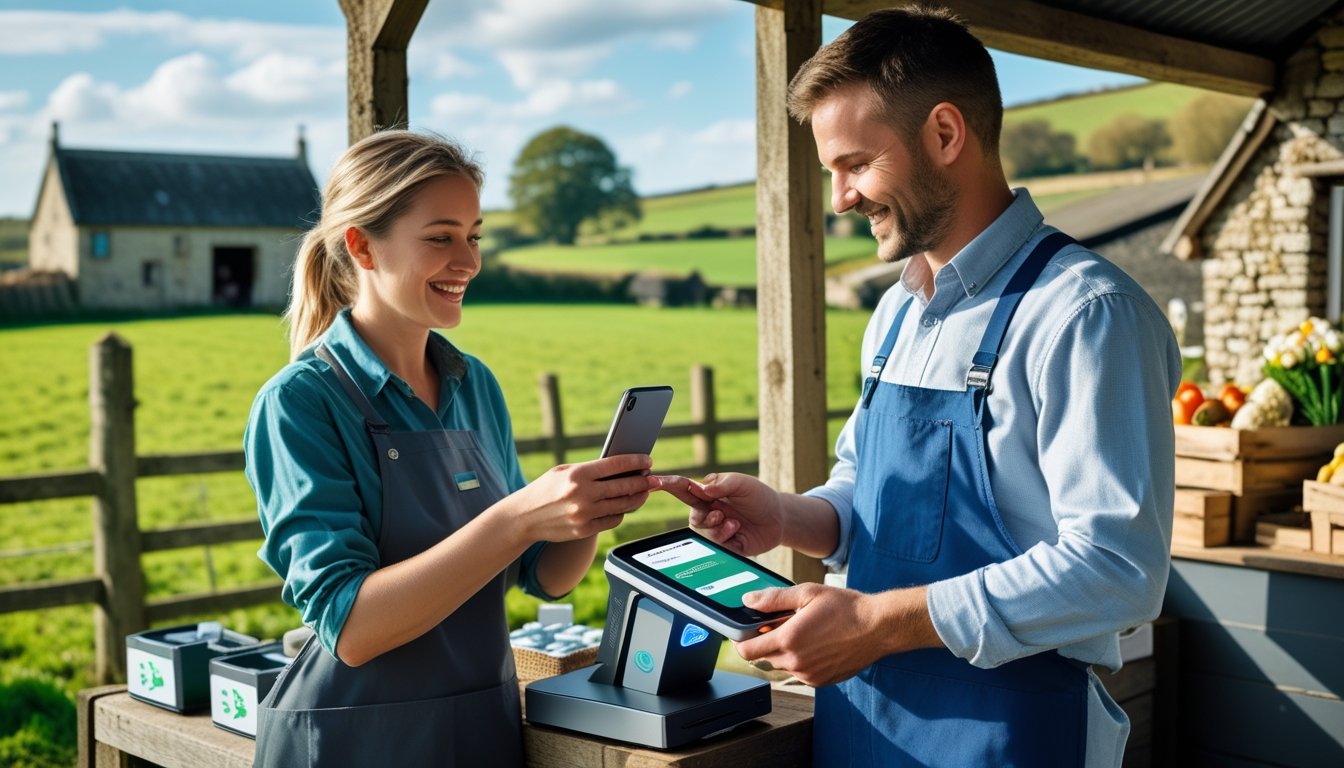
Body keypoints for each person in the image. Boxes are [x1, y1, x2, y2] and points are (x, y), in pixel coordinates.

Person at [658, 7, 1179, 767]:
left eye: (856, 164)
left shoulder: (1086, 314)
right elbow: (867, 490)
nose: (839, 198)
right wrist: (788, 517)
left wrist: (879, 623)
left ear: (944, 133)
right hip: (865, 725)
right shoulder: (898, 311)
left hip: (1015, 735)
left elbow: (1117, 570)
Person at [243, 130, 658, 766]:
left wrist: (588, 513)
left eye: (475, 235)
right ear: (362, 246)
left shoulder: (474, 384)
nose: (468, 260)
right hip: (355, 743)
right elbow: (351, 629)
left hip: (481, 730)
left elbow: (542, 575)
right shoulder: (300, 403)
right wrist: (518, 516)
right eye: (441, 237)